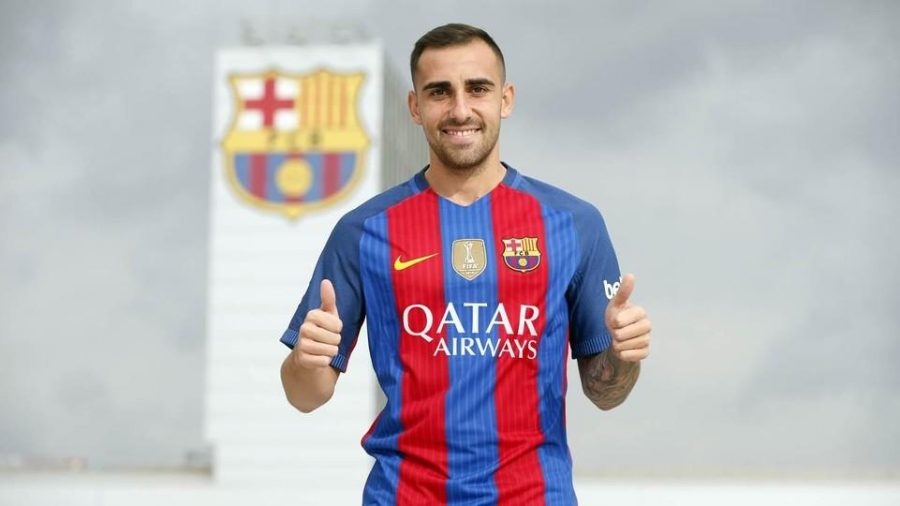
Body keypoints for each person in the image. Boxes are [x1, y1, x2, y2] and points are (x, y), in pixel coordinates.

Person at [279, 23, 652, 505]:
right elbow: (305, 395)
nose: (460, 109)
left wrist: (623, 354)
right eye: (439, 92)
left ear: (505, 99)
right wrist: (305, 360)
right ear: (415, 106)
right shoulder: (364, 230)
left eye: (478, 88)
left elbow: (605, 394)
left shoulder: (573, 223)